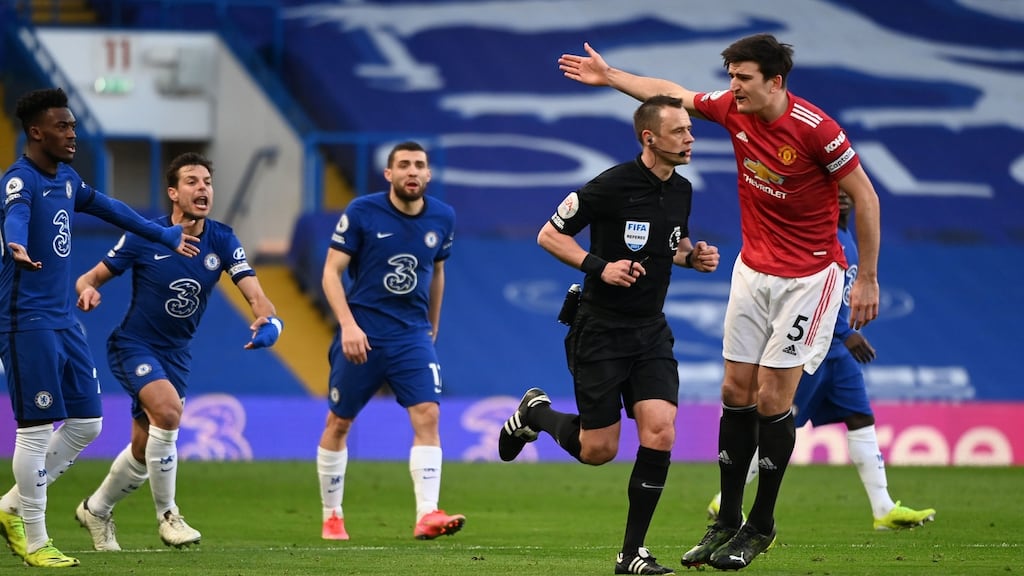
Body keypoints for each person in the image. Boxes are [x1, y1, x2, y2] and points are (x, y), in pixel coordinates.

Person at [558, 33, 882, 570]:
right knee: (736, 389)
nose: (732, 87)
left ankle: (762, 524)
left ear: (775, 81)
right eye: (730, 76)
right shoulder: (734, 110)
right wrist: (611, 75)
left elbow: (865, 197)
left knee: (775, 399)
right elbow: (670, 92)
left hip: (809, 276)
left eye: (743, 77)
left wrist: (867, 276)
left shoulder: (815, 130)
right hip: (753, 270)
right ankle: (726, 520)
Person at [499, 95, 720, 576]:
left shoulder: (682, 189)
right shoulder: (609, 185)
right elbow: (549, 235)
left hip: (651, 332)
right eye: (680, 131)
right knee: (598, 451)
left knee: (661, 430)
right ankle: (534, 412)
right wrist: (601, 266)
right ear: (650, 138)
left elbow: (671, 244)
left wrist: (692, 257)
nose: (690, 138)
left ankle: (631, 554)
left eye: (689, 129)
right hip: (599, 329)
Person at [0, 87, 198, 568]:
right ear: (36, 132)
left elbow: (113, 209)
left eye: (73, 125)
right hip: (26, 322)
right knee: (34, 431)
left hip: (63, 320)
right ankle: (35, 537)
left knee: (88, 422)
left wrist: (165, 234)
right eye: (63, 127)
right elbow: (16, 213)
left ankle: (9, 507)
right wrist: (15, 242)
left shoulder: (66, 179)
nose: (73, 133)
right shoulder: (19, 180)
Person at [70, 152, 283, 552]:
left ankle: (96, 509)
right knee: (168, 412)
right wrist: (88, 290)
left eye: (207, 181)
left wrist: (269, 322)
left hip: (176, 355)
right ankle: (169, 516)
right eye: (192, 181)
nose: (202, 188)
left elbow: (256, 293)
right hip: (134, 344)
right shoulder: (143, 234)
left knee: (142, 446)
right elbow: (88, 278)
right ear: (173, 192)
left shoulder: (222, 238)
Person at [705, 191, 935, 531]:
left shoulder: (849, 238)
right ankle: (726, 501)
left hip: (837, 355)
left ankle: (883, 508)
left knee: (860, 417)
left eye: (847, 193)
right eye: (835, 192)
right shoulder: (820, 239)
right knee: (780, 422)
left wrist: (842, 337)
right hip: (810, 347)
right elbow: (813, 295)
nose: (842, 198)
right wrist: (846, 332)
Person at [316, 141, 462, 541]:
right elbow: (331, 273)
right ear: (389, 174)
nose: (412, 171)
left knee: (428, 415)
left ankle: (427, 514)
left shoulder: (442, 217)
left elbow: (437, 274)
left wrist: (432, 327)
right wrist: (347, 325)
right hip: (362, 330)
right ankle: (332, 514)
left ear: (429, 175)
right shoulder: (363, 211)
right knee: (339, 422)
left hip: (412, 335)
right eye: (403, 165)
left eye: (419, 165)